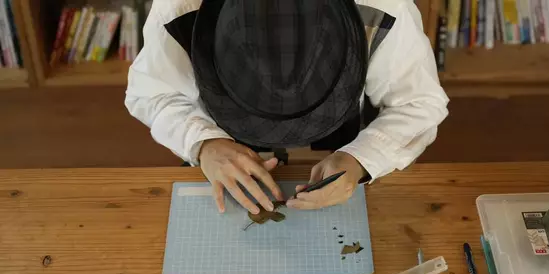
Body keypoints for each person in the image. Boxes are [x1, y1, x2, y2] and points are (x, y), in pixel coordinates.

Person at [125, 0, 448, 214]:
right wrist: (204, 143)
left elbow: (418, 102)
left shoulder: (381, 5)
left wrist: (361, 158)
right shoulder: (181, 5)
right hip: (221, 153)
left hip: (346, 142)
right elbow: (151, 93)